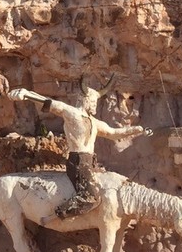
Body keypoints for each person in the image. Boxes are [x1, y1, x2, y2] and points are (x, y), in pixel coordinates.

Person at [8, 77, 150, 222]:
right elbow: (51, 103)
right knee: (91, 197)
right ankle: (55, 216)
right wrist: (26, 94)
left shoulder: (94, 122)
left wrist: (137, 130)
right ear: (84, 99)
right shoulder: (72, 113)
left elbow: (113, 133)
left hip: (92, 163)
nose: (95, 104)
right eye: (93, 100)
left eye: (96, 101)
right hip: (78, 162)